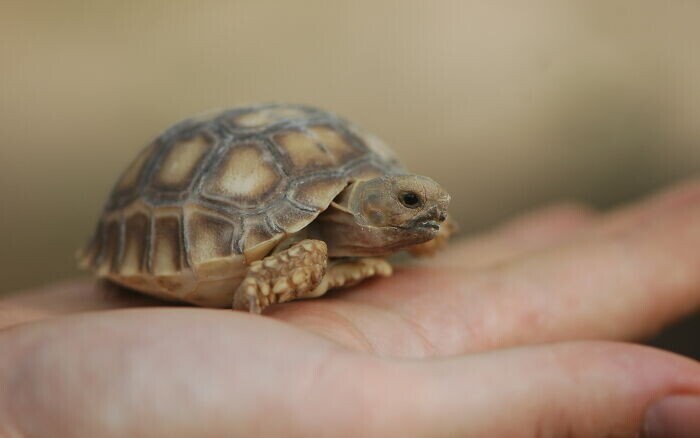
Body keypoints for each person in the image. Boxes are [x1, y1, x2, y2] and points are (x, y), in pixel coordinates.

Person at [1, 179, 699, 437]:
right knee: (299, 259)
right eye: (408, 203)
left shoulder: (372, 226)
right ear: (358, 207)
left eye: (426, 204)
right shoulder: (306, 245)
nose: (430, 214)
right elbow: (263, 276)